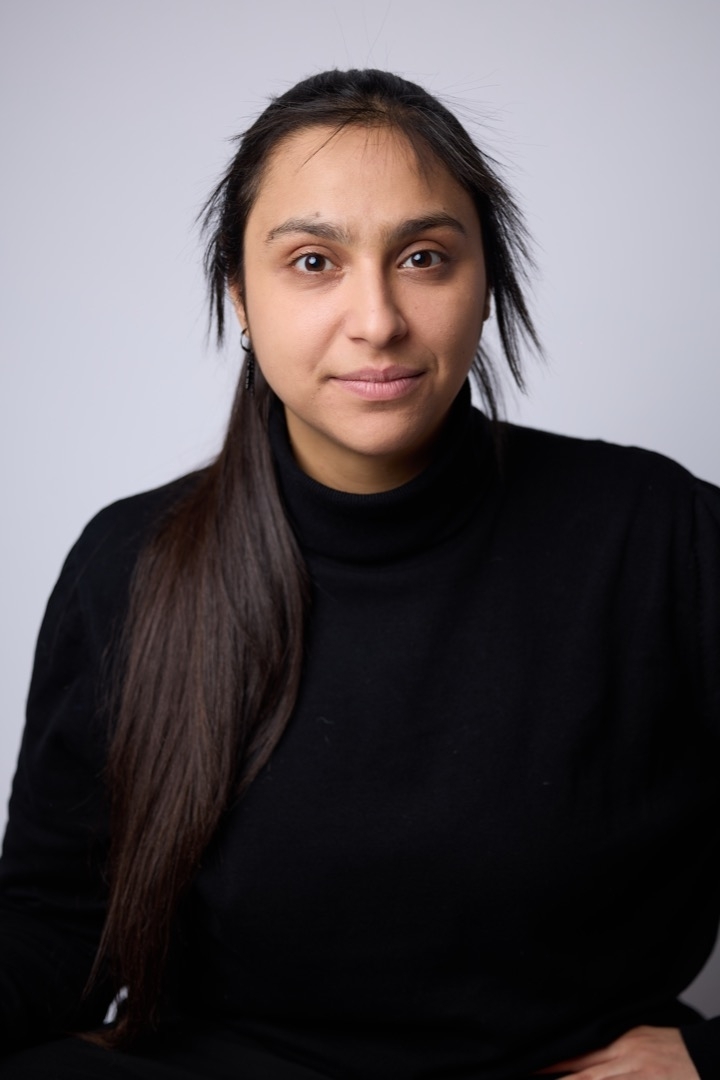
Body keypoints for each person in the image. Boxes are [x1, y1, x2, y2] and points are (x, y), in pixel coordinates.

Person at [0, 68, 717, 1080]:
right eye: (313, 262)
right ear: (239, 295)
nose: (376, 319)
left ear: (485, 282)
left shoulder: (660, 534)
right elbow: (57, 925)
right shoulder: (130, 563)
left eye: (424, 257)